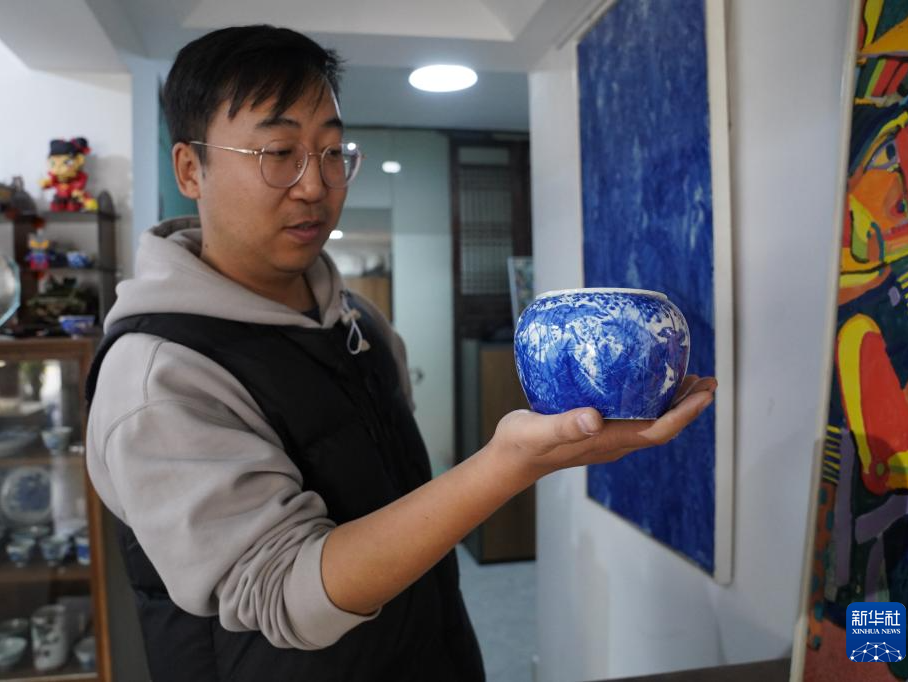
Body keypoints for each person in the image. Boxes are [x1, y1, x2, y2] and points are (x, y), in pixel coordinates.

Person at [85, 24, 717, 682]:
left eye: (332, 151)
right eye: (279, 152)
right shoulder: (159, 375)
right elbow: (284, 594)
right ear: (191, 169)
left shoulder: (360, 321)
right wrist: (508, 465)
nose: (315, 184)